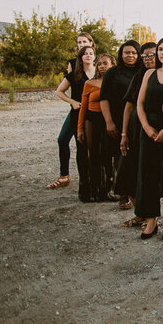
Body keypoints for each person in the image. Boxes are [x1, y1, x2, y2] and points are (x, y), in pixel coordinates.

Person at [136, 37, 163, 240]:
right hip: (149, 131)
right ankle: (151, 219)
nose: (162, 53)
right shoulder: (149, 74)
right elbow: (139, 103)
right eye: (160, 49)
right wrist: (146, 127)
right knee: (148, 174)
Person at [117, 42, 157, 226]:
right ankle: (139, 212)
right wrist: (124, 134)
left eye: (152, 55)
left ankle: (151, 217)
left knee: (149, 174)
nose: (149, 59)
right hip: (135, 128)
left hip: (155, 129)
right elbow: (129, 106)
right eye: (145, 56)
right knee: (128, 170)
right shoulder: (139, 76)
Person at [48, 32, 94, 189]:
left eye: (84, 42)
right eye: (79, 43)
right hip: (77, 110)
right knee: (63, 140)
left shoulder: (96, 63)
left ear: (91, 44)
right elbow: (65, 86)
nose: (81, 45)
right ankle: (65, 175)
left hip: (93, 111)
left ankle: (94, 179)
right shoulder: (73, 64)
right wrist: (72, 102)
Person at [100, 40, 142, 204]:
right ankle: (123, 191)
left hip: (138, 119)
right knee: (120, 155)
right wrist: (109, 121)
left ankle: (137, 191)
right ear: (121, 54)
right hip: (116, 119)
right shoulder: (112, 73)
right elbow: (103, 98)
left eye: (133, 53)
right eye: (126, 53)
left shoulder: (143, 71)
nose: (130, 56)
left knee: (137, 155)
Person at [77, 53, 116, 202]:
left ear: (112, 64)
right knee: (93, 156)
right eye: (99, 64)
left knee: (107, 155)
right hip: (92, 120)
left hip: (108, 120)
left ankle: (107, 190)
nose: (102, 66)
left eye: (105, 63)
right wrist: (79, 129)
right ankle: (93, 190)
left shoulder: (114, 82)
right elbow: (83, 108)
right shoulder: (89, 84)